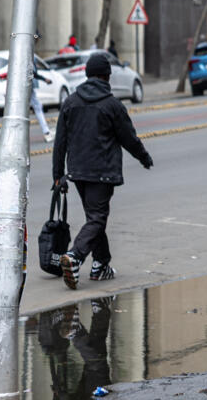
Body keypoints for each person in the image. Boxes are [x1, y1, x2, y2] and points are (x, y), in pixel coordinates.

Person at [53, 54, 153, 290]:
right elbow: (129, 138)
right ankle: (75, 256)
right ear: (106, 76)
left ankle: (101, 264)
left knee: (94, 218)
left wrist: (58, 174)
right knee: (97, 219)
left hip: (77, 172)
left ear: (88, 75)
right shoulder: (112, 105)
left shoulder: (71, 102)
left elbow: (60, 142)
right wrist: (144, 157)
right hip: (102, 172)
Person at [31, 68, 55, 142]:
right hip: (27, 86)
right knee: (37, 107)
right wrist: (44, 79)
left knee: (37, 107)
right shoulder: (28, 57)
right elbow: (32, 72)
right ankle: (47, 132)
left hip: (24, 86)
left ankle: (46, 132)